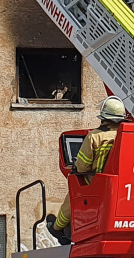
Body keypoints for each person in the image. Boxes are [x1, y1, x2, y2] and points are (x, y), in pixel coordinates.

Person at [47, 96, 127, 244]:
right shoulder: (128, 136)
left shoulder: (94, 137)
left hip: (98, 182)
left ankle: (58, 226)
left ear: (103, 117)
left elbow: (82, 166)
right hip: (124, 185)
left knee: (74, 186)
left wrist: (76, 167)